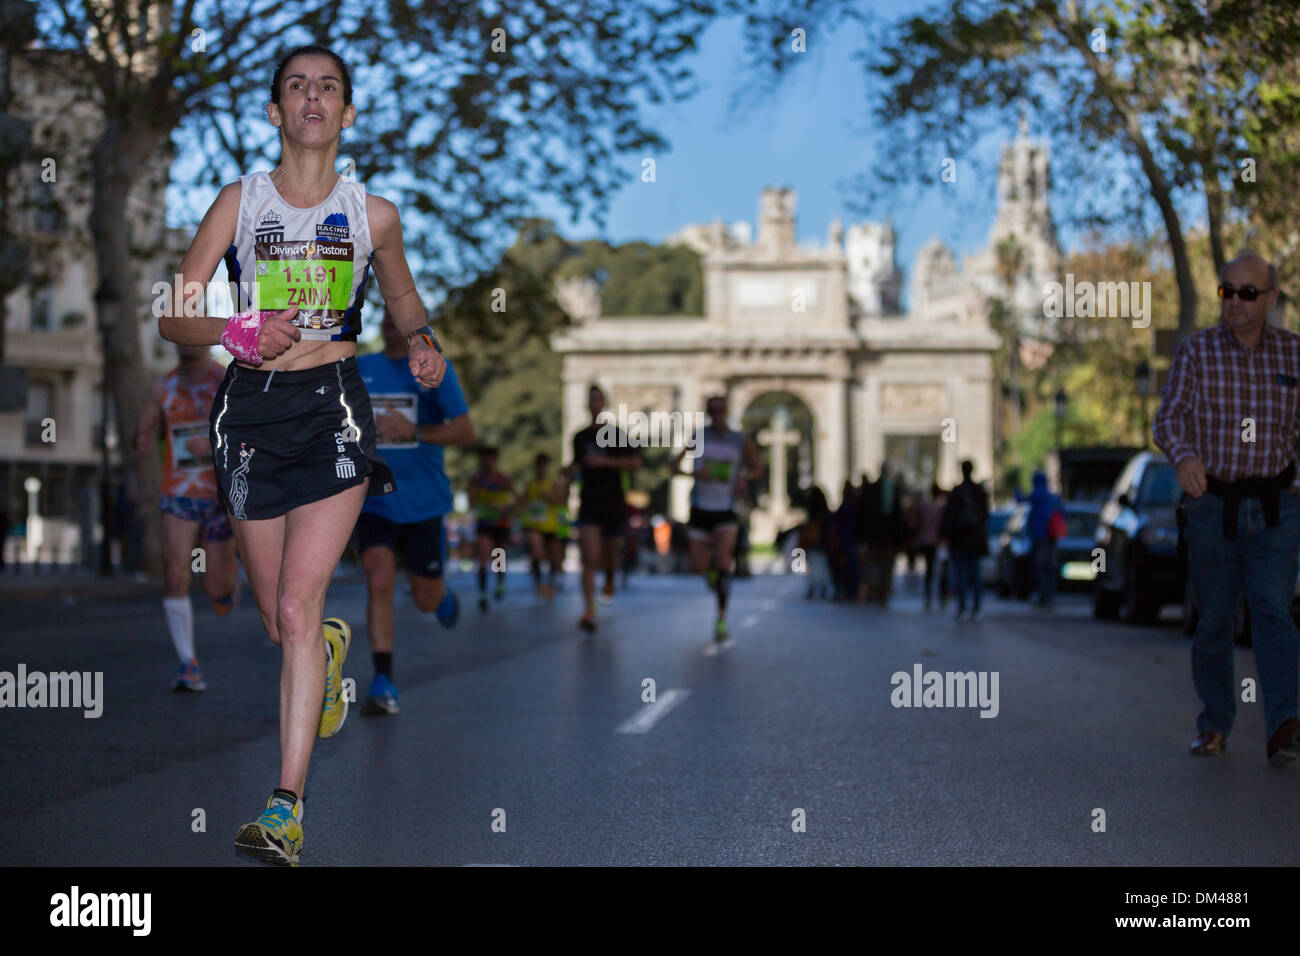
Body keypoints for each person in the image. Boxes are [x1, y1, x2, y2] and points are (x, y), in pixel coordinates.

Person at [159, 44, 447, 865]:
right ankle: (322, 650)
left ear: (347, 113)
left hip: (335, 411)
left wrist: (422, 340)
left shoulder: (374, 215)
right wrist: (237, 329)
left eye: (328, 87)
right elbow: (173, 316)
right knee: (276, 621)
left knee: (293, 605)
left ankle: (286, 808)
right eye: (297, 86)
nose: (313, 97)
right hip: (249, 412)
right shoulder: (238, 203)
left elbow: (400, 296)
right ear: (276, 112)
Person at [1154, 249, 1300, 765]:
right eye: (1226, 291)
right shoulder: (1196, 353)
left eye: (1247, 293)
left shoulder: (1293, 355)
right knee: (1214, 618)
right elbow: (1167, 418)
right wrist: (1184, 455)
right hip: (1212, 507)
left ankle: (1285, 723)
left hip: (1278, 508)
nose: (1234, 302)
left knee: (1273, 611)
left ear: (1271, 298)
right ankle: (1215, 722)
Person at [355, 311, 474, 716]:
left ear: (413, 329)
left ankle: (440, 596)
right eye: (385, 318)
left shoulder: (435, 369)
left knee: (425, 599)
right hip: (373, 497)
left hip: (423, 500)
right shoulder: (360, 367)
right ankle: (383, 681)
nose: (391, 325)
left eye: (399, 319)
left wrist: (415, 432)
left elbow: (464, 431)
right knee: (379, 580)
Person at [135, 344, 241, 690]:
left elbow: (246, 427)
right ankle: (187, 663)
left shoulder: (225, 377)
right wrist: (143, 451)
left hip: (219, 493)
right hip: (179, 493)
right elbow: (143, 437)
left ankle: (227, 581)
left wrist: (214, 447)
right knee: (175, 572)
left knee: (215, 589)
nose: (187, 341)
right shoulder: (162, 387)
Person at [672, 395, 762, 642]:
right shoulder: (699, 437)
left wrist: (744, 477)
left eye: (721, 409)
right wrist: (694, 473)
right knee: (698, 567)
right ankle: (712, 573)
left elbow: (758, 468)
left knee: (725, 562)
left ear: (727, 411)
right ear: (708, 412)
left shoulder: (739, 440)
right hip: (701, 507)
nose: (718, 414)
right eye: (713, 410)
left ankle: (721, 619)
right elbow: (674, 466)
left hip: (726, 508)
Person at [566, 385, 640, 632]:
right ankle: (589, 610)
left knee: (610, 555)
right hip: (589, 502)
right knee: (589, 558)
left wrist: (603, 462)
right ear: (587, 404)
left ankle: (609, 577)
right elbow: (577, 465)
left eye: (598, 399)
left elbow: (635, 462)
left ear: (604, 403)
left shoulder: (616, 434)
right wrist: (569, 474)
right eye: (591, 399)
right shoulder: (580, 437)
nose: (594, 403)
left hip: (613, 503)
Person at [468, 446, 516, 612]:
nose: (487, 463)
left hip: (501, 524)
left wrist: (506, 509)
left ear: (495, 461)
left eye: (490, 459)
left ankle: (500, 583)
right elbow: (470, 500)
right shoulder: (475, 479)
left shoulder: (504, 480)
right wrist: (479, 504)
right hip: (484, 524)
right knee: (483, 555)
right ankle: (482, 594)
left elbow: (516, 500)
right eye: (484, 459)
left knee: (499, 556)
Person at [941, 460, 989, 621]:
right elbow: (985, 515)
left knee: (961, 574)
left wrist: (946, 535)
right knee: (975, 574)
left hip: (960, 539)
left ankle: (962, 607)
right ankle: (976, 607)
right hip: (973, 539)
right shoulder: (979, 491)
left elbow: (948, 517)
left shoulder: (956, 492)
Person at [519, 452, 568, 601]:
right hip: (534, 526)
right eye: (538, 465)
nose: (540, 469)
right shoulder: (530, 485)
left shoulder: (553, 484)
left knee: (553, 557)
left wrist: (549, 497)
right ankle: (539, 583)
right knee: (537, 552)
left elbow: (562, 501)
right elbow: (521, 501)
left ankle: (550, 584)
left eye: (543, 466)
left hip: (551, 526)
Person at [1016, 470, 1063, 609]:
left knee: (1041, 567)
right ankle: (1050, 595)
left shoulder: (1038, 494)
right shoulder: (1053, 497)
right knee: (1051, 567)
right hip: (1052, 537)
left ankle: (1044, 595)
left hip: (1040, 537)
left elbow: (1021, 500)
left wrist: (1018, 491)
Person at [915, 482, 947, 611]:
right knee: (940, 571)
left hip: (927, 541)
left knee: (929, 570)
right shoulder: (941, 507)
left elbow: (918, 523)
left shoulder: (924, 506)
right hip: (938, 542)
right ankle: (941, 597)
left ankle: (929, 597)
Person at [799, 486, 833, 599]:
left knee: (814, 565)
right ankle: (821, 588)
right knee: (822, 566)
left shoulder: (813, 511)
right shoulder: (824, 511)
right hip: (821, 542)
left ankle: (813, 588)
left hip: (814, 542)